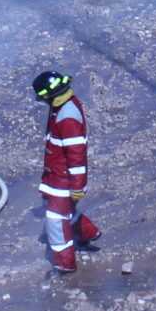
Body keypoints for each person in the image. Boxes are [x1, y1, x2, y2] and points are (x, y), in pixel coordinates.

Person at [32, 70, 98, 273]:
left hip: (63, 179)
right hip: (55, 175)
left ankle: (64, 264)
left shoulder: (67, 117)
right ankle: (88, 233)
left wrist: (77, 187)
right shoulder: (62, 107)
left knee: (56, 221)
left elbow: (77, 157)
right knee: (64, 211)